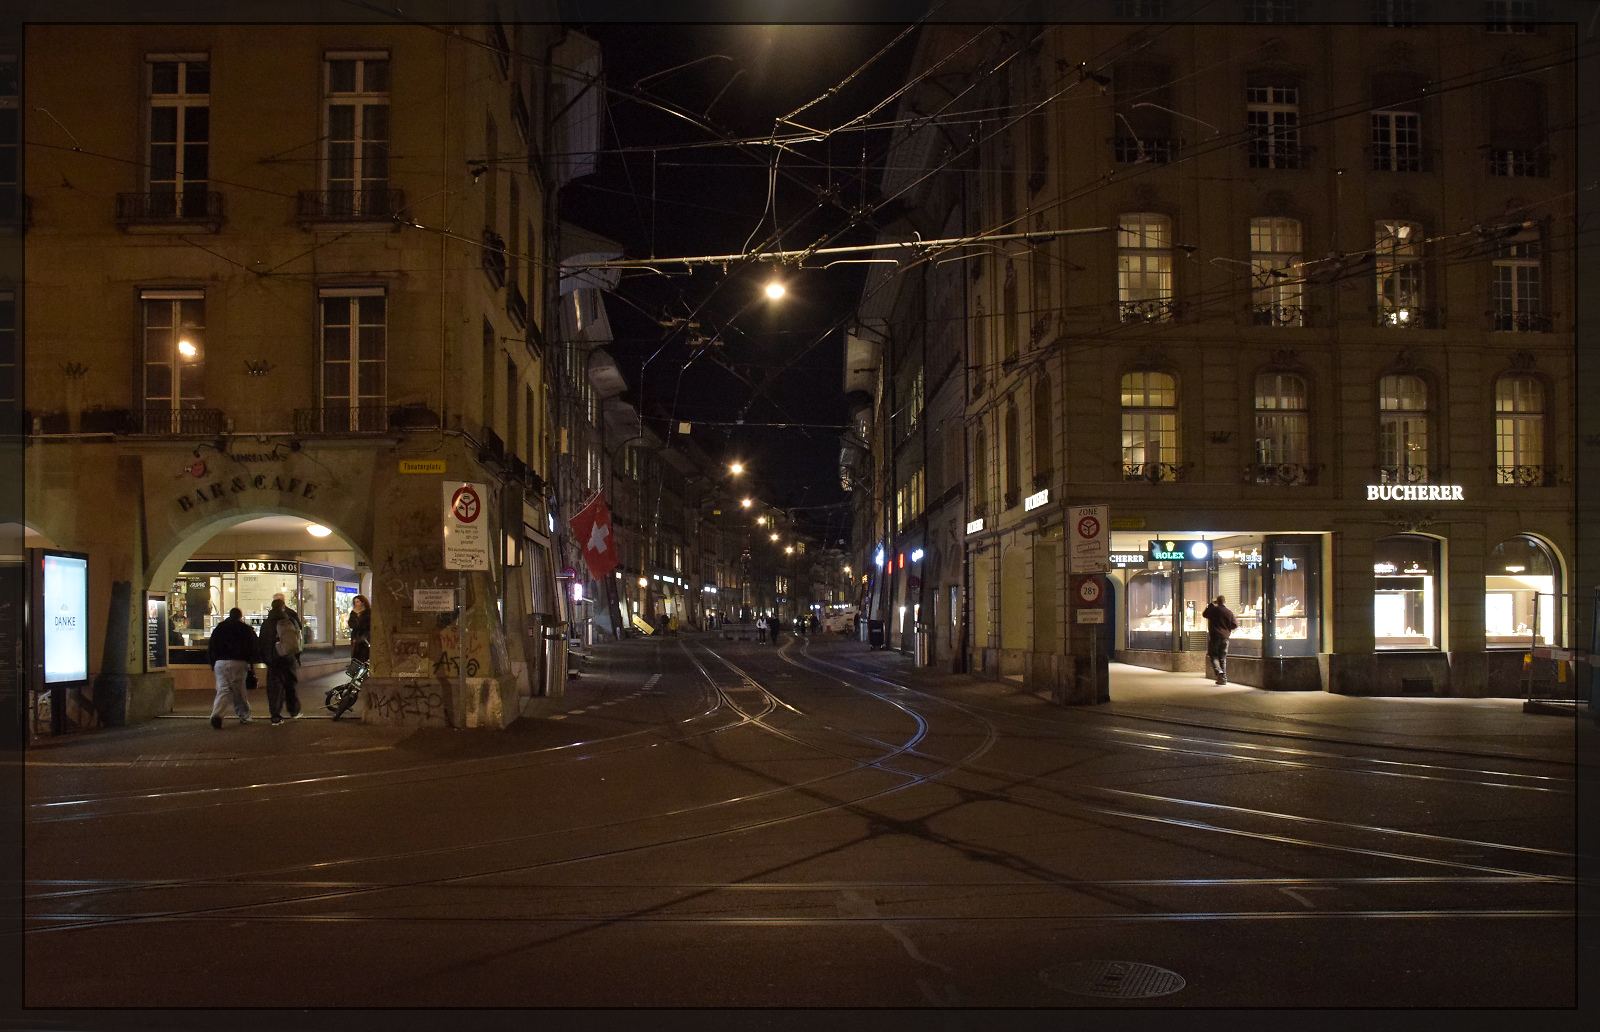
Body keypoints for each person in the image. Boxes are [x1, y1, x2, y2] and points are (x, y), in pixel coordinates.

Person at [206, 607, 257, 729]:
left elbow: (211, 646)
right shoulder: (245, 629)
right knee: (239, 691)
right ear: (240, 616)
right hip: (238, 662)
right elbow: (252, 647)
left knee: (223, 690)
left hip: (220, 662)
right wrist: (251, 664)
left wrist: (213, 663)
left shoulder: (219, 628)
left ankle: (217, 715)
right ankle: (244, 715)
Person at [260, 594, 304, 724]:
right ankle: (294, 711)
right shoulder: (290, 620)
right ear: (283, 607)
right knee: (290, 685)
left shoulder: (266, 624)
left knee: (274, 688)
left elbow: (262, 643)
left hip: (273, 660)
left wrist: (266, 659)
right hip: (288, 657)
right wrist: (297, 656)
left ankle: (275, 716)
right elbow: (298, 639)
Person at [1201, 594, 1238, 685]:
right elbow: (1235, 624)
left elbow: (1204, 614)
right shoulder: (1229, 612)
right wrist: (1227, 629)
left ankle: (1219, 672)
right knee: (1222, 658)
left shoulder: (1213, 611)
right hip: (1225, 638)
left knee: (1213, 655)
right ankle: (1223, 679)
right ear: (1225, 602)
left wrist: (1211, 604)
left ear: (1217, 602)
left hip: (1214, 637)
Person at [348, 594, 372, 664]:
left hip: (365, 637)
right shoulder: (353, 612)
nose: (356, 604)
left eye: (358, 602)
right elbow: (351, 623)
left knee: (364, 654)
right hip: (356, 637)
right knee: (355, 654)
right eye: (355, 602)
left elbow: (368, 624)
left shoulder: (368, 612)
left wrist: (360, 624)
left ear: (363, 602)